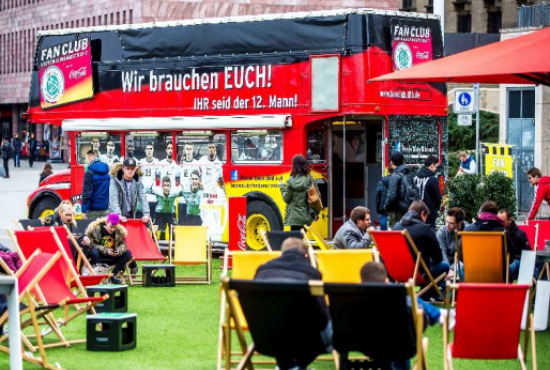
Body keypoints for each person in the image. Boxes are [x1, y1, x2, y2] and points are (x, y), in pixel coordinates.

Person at [254, 238, 332, 370]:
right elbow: (321, 315)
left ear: (281, 253)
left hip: (266, 336)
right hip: (305, 339)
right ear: (306, 256)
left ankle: (287, 365)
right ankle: (296, 365)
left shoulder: (262, 271)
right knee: (329, 319)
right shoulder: (311, 274)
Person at [360, 261, 452, 370]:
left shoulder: (356, 299)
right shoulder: (400, 299)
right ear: (385, 280)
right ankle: (437, 314)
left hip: (369, 347)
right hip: (403, 345)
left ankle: (437, 314)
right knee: (401, 332)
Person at [393, 201, 450, 298]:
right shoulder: (425, 229)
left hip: (398, 271)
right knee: (444, 266)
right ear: (422, 213)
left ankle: (427, 293)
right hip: (418, 273)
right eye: (426, 217)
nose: (425, 220)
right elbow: (438, 257)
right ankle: (426, 293)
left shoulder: (396, 227)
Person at [464, 201, 518, 279]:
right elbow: (511, 255)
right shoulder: (503, 231)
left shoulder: (468, 230)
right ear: (496, 215)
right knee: (515, 264)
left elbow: (460, 254)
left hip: (472, 273)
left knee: (462, 267)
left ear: (481, 213)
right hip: (497, 274)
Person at [86, 213, 138, 284]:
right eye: (111, 227)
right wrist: (105, 250)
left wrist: (118, 251)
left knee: (128, 253)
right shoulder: (96, 229)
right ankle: (99, 274)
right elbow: (91, 244)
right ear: (107, 222)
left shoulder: (118, 230)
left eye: (115, 227)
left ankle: (113, 275)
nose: (113, 229)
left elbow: (123, 245)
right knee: (94, 252)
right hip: (99, 256)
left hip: (113, 256)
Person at [279, 154, 320, 231]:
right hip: (306, 216)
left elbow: (286, 199)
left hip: (294, 217)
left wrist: (282, 187)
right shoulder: (310, 180)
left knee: (295, 239)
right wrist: (315, 213)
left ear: (294, 166)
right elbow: (316, 197)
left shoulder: (291, 181)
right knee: (300, 238)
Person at [108, 158, 151, 223]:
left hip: (130, 215)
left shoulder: (137, 180)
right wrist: (119, 215)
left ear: (135, 169)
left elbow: (143, 197)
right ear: (123, 168)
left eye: (132, 169)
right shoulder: (115, 180)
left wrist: (146, 214)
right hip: (115, 215)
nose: (130, 171)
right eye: (128, 168)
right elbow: (113, 199)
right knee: (115, 231)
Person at [384, 151, 419, 228]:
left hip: (398, 211)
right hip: (408, 209)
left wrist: (386, 207)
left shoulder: (395, 175)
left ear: (392, 162)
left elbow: (392, 196)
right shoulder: (408, 174)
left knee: (396, 233)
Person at [436, 207, 468, 281]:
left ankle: (463, 291)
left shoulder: (467, 232)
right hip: (446, 264)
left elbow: (465, 256)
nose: (447, 225)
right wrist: (448, 269)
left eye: (451, 223)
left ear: (460, 223)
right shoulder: (442, 232)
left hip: (461, 264)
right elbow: (442, 252)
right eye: (446, 221)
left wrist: (453, 268)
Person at [498, 208, 530, 277]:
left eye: (502, 221)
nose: (499, 224)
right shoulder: (498, 232)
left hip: (516, 261)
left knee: (511, 265)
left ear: (510, 220)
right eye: (498, 221)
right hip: (502, 261)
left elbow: (526, 255)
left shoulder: (520, 234)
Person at [81, 150, 111, 220]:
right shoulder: (107, 171)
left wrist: (83, 211)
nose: (86, 162)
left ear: (90, 159)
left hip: (92, 210)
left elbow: (86, 193)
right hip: (105, 209)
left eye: (86, 160)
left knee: (93, 229)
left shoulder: (89, 173)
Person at [414, 156, 442, 229]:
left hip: (416, 211)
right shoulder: (432, 179)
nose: (436, 169)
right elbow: (438, 198)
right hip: (430, 212)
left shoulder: (416, 177)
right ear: (432, 166)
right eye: (436, 166)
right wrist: (436, 208)